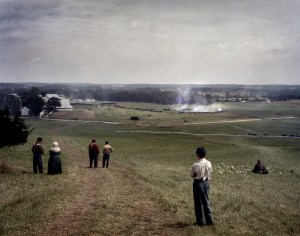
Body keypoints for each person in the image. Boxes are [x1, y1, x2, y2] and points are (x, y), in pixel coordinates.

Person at [191, 147, 214, 226]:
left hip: (198, 183)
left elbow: (192, 175)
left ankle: (200, 221)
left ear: (198, 154)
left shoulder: (195, 165)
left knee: (198, 202)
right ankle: (210, 220)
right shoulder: (209, 163)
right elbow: (210, 171)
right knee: (206, 201)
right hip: (206, 183)